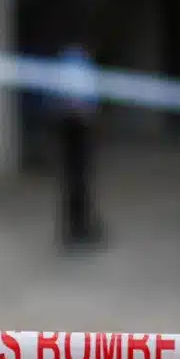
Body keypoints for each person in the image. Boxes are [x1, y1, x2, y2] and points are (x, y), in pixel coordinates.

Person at [53, 38, 105, 250]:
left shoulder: (65, 62)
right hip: (77, 126)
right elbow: (85, 99)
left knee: (75, 179)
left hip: (69, 125)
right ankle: (79, 228)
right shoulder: (78, 63)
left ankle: (77, 227)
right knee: (79, 178)